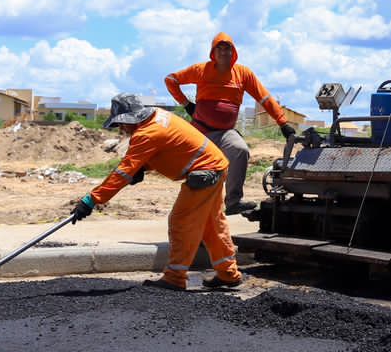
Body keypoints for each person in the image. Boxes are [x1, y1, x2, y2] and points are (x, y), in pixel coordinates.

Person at [71, 93, 243, 291]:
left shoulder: (146, 134)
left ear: (129, 119)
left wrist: (91, 200)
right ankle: (228, 273)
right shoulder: (158, 117)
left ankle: (175, 277)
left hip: (204, 174)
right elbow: (169, 148)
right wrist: (143, 168)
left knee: (181, 221)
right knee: (211, 225)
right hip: (215, 166)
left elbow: (122, 172)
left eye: (121, 124)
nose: (122, 129)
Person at [164, 33, 297, 215]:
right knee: (201, 170)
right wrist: (186, 104)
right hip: (200, 132)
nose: (224, 52)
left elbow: (264, 98)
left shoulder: (243, 74)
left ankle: (233, 201)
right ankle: (194, 211)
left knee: (240, 150)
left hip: (226, 132)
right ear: (213, 52)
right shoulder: (200, 70)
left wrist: (283, 123)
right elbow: (171, 80)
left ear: (234, 52)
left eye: (228, 48)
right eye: (220, 48)